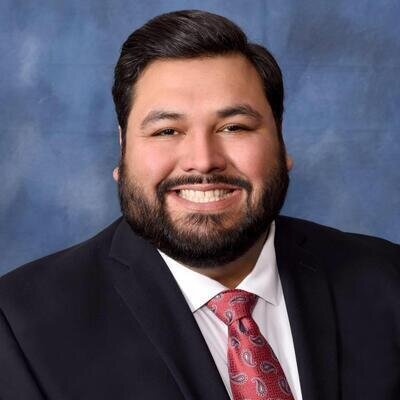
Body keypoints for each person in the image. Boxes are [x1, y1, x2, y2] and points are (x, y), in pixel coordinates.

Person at [0, 9, 398, 400]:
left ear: (281, 141)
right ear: (123, 150)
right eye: (167, 131)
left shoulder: (388, 279)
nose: (203, 160)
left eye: (234, 127)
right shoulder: (20, 327)